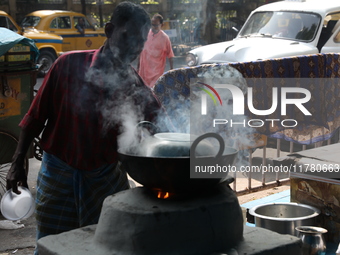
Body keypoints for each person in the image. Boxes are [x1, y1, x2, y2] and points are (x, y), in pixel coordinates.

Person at [6, 2, 165, 254]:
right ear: (109, 30)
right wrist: (17, 164)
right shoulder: (67, 65)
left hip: (105, 180)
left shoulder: (135, 85)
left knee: (105, 246)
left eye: (140, 41)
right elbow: (35, 117)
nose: (134, 47)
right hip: (58, 176)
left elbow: (162, 128)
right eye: (128, 36)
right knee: (51, 245)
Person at [137, 13, 174, 88]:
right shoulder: (145, 34)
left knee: (154, 92)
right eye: (152, 24)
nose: (153, 27)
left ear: (162, 25)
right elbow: (140, 52)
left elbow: (170, 55)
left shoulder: (165, 38)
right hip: (144, 72)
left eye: (156, 25)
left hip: (156, 73)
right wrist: (138, 68)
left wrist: (172, 71)